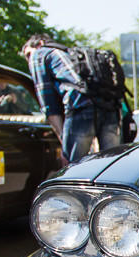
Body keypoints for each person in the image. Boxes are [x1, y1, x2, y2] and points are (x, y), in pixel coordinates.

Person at [21, 34, 121, 164]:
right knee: (110, 165)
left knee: (72, 166)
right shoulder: (70, 54)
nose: (28, 59)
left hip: (81, 107)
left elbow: (47, 101)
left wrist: (63, 139)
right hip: (110, 108)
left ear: (40, 43)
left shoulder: (39, 54)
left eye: (28, 54)